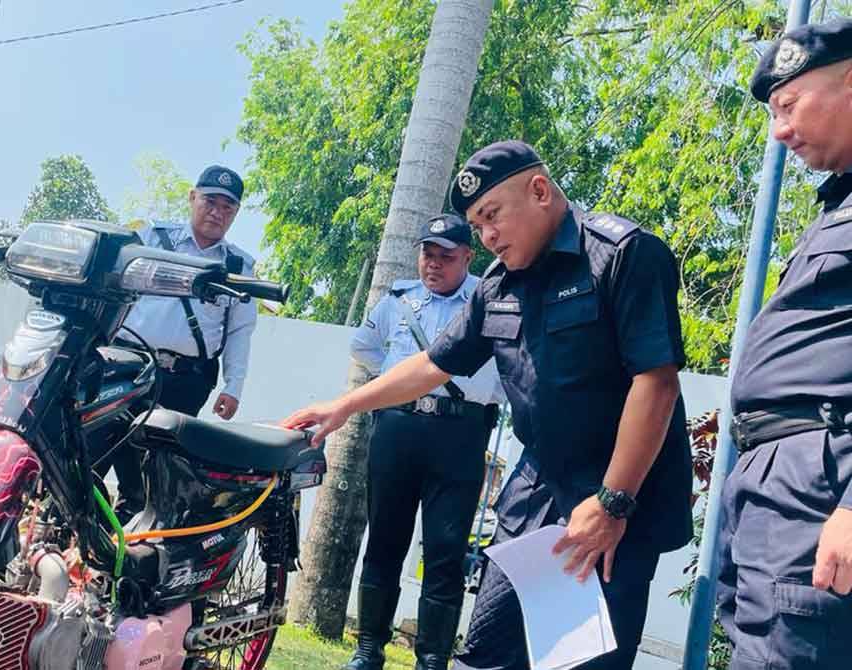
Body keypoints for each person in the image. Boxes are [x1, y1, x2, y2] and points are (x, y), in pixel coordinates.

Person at [283, 141, 692, 670]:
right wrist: (344, 406)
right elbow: (435, 364)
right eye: (477, 226)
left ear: (539, 191)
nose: (487, 235)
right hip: (537, 487)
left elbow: (656, 384)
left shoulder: (623, 255)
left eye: (492, 216)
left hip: (619, 492)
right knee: (487, 655)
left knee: (586, 662)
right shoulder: (497, 285)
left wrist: (613, 502)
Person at [716, 19, 852, 669]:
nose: (779, 131)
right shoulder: (838, 207)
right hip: (776, 483)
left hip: (819, 484)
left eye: (788, 106)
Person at [343, 213, 504, 670]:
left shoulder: (488, 300)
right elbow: (364, 347)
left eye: (445, 257)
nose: (433, 265)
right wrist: (395, 385)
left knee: (446, 548)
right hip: (398, 429)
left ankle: (431, 659)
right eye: (427, 255)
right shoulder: (398, 299)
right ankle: (369, 648)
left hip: (460, 433)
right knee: (385, 539)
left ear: (468, 258)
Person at [103, 164, 257, 514]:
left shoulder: (238, 267)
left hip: (185, 380)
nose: (217, 212)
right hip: (127, 366)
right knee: (94, 451)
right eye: (210, 201)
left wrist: (234, 385)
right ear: (192, 198)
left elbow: (239, 331)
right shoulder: (153, 238)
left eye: (227, 207)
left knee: (154, 470)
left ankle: (126, 557)